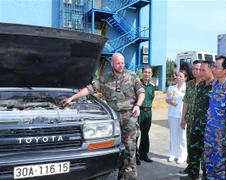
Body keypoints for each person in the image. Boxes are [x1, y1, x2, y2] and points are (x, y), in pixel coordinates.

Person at [59, 52, 145, 180]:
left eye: (122, 63)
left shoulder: (132, 76)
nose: (121, 65)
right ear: (112, 64)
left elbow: (141, 92)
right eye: (118, 63)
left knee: (129, 151)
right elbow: (89, 89)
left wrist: (138, 105)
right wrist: (71, 98)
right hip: (112, 120)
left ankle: (130, 177)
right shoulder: (105, 79)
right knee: (114, 151)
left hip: (129, 118)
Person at [181, 60, 215, 180]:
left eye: (202, 70)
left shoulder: (216, 86)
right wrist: (184, 118)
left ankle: (205, 175)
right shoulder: (199, 86)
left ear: (211, 70)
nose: (199, 72)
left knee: (207, 154)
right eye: (198, 70)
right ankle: (192, 174)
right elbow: (189, 102)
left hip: (209, 127)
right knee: (193, 150)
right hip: (195, 123)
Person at [204, 56, 226, 180]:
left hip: (221, 134)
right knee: (208, 161)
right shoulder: (215, 84)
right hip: (210, 131)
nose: (213, 69)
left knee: (220, 165)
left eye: (217, 67)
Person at [180, 60, 202, 172]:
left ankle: (203, 171)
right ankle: (191, 167)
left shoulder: (207, 85)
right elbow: (186, 102)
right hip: (191, 120)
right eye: (194, 68)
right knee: (190, 145)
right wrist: (183, 118)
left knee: (202, 147)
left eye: (198, 69)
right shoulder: (189, 84)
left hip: (202, 123)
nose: (195, 71)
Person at [166, 70, 188, 164]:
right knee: (173, 135)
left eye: (181, 76)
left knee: (182, 136)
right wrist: (171, 102)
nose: (178, 78)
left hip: (182, 114)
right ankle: (172, 154)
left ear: (185, 78)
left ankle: (182, 155)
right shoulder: (171, 88)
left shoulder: (187, 88)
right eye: (177, 76)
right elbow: (167, 99)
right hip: (172, 114)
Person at [136, 65, 155, 165]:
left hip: (148, 112)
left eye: (149, 72)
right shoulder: (138, 84)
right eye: (145, 72)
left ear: (151, 74)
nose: (147, 74)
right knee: (135, 134)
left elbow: (151, 98)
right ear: (142, 73)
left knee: (145, 133)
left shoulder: (152, 86)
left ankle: (143, 154)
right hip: (139, 111)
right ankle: (135, 155)